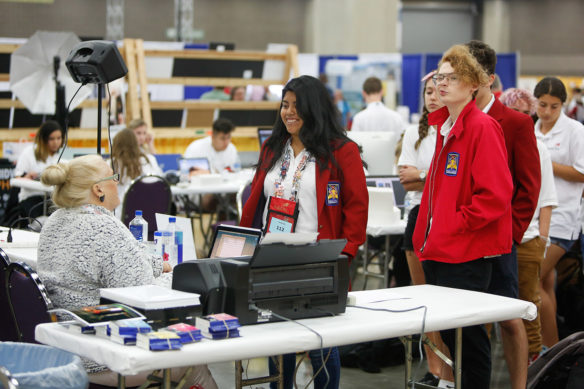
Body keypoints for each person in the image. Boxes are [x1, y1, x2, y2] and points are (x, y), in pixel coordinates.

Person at [37, 155, 217, 388]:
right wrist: (177, 276)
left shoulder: (54, 221)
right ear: (98, 189)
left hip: (68, 345)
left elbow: (116, 260)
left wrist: (155, 265)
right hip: (102, 358)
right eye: (114, 177)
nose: (118, 183)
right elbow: (143, 297)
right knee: (195, 363)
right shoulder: (103, 226)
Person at [240, 75, 368, 389]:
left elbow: (357, 206)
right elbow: (258, 200)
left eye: (297, 106)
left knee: (320, 343)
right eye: (285, 105)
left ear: (315, 108)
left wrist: (345, 252)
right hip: (273, 256)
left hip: (319, 258)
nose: (289, 112)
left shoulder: (341, 151)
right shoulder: (274, 147)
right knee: (277, 340)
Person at [412, 44, 513, 389]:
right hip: (439, 250)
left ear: (473, 84)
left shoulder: (481, 127)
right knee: (451, 341)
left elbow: (495, 196)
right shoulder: (443, 127)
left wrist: (453, 225)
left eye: (452, 77)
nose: (442, 84)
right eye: (439, 77)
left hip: (465, 254)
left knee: (469, 342)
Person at [466, 40, 541, 389]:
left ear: (487, 78)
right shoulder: (455, 120)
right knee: (469, 319)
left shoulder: (514, 123)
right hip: (463, 240)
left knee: (510, 318)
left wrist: (510, 234)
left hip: (499, 241)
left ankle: (519, 385)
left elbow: (529, 187)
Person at [397, 72, 452, 386]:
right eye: (428, 92)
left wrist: (424, 174)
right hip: (418, 214)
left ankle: (448, 370)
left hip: (443, 215)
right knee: (424, 299)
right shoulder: (412, 133)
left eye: (437, 91)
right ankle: (435, 371)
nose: (432, 96)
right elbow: (407, 180)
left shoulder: (452, 130)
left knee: (444, 299)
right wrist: (430, 175)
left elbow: (449, 178)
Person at [500, 87, 558, 362]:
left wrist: (542, 242)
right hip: (496, 239)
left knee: (527, 307)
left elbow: (546, 198)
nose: (523, 117)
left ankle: (535, 365)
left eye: (527, 113)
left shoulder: (538, 147)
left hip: (527, 239)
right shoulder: (492, 139)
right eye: (516, 112)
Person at [533, 77, 584, 348]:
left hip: (563, 219)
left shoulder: (575, 131)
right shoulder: (532, 129)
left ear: (563, 105)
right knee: (544, 285)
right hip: (537, 218)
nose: (548, 112)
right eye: (542, 105)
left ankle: (547, 350)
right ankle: (550, 351)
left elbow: (581, 173)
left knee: (533, 280)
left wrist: (545, 163)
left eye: (554, 106)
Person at [13, 120, 64, 218]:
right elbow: (17, 177)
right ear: (44, 139)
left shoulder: (60, 157)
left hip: (52, 199)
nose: (56, 142)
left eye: (59, 138)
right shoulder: (28, 153)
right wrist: (27, 177)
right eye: (52, 139)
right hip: (31, 198)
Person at [111, 128, 163, 217]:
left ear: (116, 144)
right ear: (136, 143)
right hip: (152, 213)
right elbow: (161, 183)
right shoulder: (150, 160)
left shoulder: (112, 164)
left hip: (122, 215)